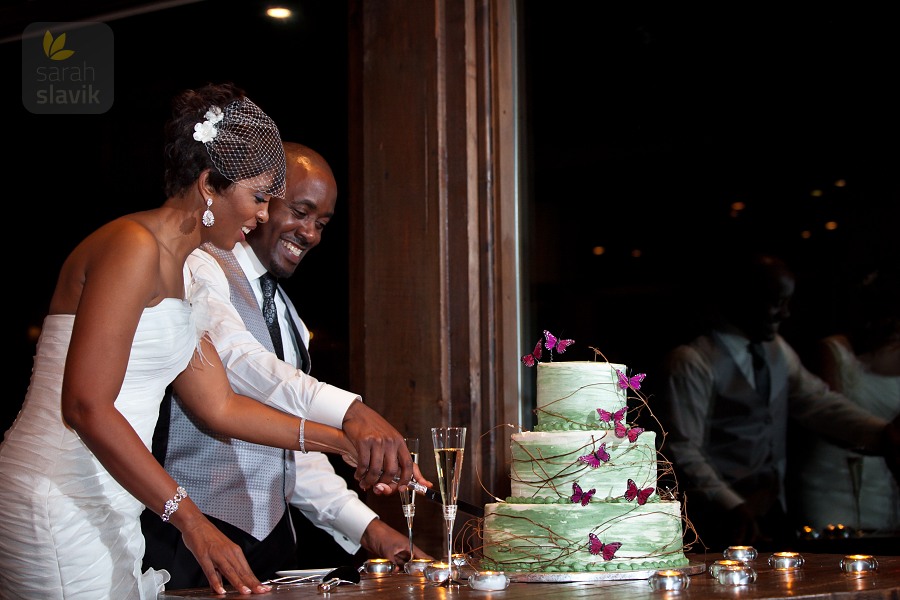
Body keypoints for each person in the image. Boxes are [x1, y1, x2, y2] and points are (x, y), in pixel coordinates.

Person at [0, 83, 417, 599]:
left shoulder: (182, 271)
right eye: (259, 196)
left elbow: (220, 406)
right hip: (60, 488)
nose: (263, 215)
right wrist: (192, 521)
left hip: (116, 495)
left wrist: (342, 444)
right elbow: (86, 406)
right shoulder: (132, 247)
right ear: (208, 186)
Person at [141, 141, 432, 588]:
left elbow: (292, 449)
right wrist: (350, 413)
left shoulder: (287, 313)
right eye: (300, 211)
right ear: (260, 199)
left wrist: (372, 531)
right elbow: (237, 360)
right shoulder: (199, 265)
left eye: (322, 223)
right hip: (189, 541)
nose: (311, 233)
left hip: (272, 547)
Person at [660, 250, 900, 551]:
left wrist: (884, 433)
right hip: (716, 520)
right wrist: (732, 504)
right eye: (776, 301)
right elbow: (682, 449)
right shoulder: (692, 360)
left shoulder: (776, 349)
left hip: (772, 511)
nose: (786, 313)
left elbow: (818, 402)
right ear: (742, 297)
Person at [790, 265, 900, 532]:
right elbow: (826, 413)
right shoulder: (834, 350)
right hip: (833, 473)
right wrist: (886, 434)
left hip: (886, 475)